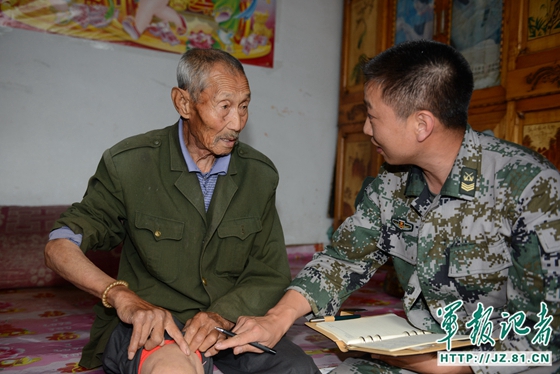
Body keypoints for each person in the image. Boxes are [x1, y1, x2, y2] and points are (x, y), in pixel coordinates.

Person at [214, 40, 560, 374]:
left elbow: (547, 340)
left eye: (372, 116)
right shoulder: (394, 181)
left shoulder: (530, 189)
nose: (365, 128)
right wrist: (276, 319)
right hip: (426, 348)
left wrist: (433, 365)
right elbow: (344, 259)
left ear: (421, 124)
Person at [44, 48, 320, 374]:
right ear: (184, 103)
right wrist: (122, 297)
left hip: (226, 321)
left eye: (244, 106)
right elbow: (58, 247)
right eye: (225, 107)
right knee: (171, 368)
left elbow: (270, 273)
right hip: (153, 321)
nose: (237, 122)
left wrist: (221, 315)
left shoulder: (259, 175)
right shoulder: (130, 164)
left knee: (298, 370)